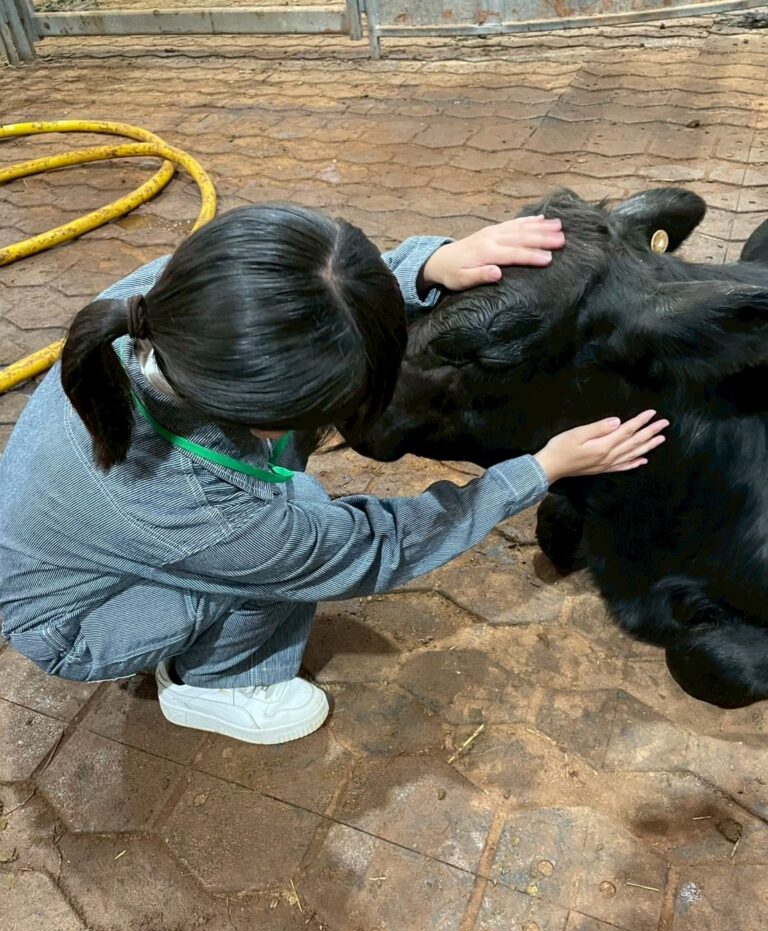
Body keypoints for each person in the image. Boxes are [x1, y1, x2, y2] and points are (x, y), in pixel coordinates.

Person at [0, 205, 667, 745]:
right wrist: (541, 468)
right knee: (295, 538)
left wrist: (424, 265)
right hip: (74, 622)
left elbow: (305, 295)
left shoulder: (178, 301)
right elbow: (372, 548)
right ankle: (215, 686)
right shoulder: (210, 514)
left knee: (290, 516)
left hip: (91, 543)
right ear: (260, 415)